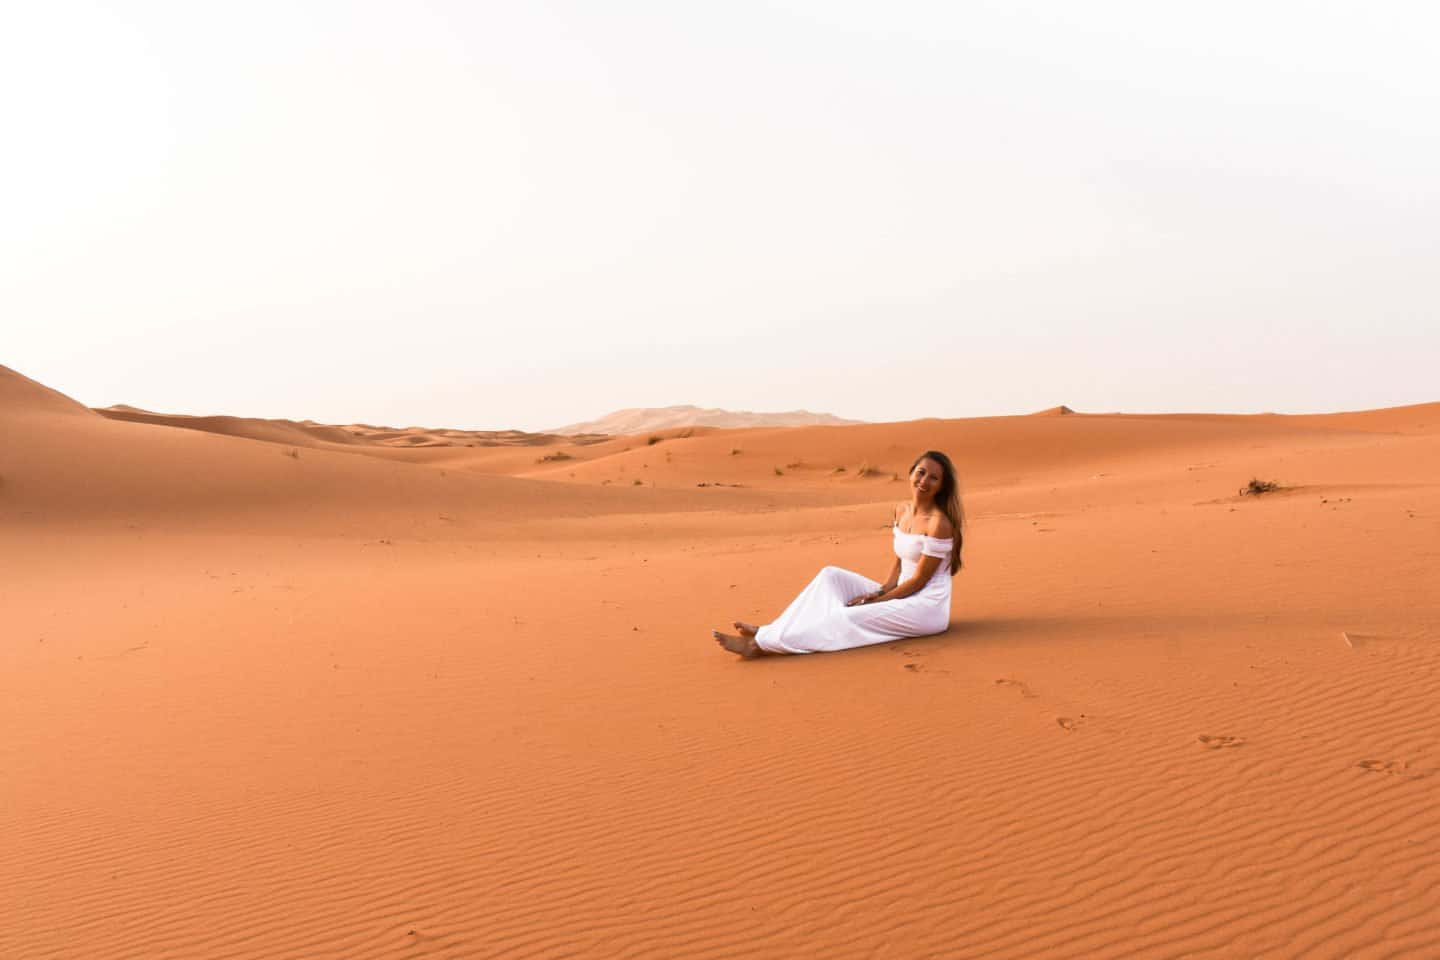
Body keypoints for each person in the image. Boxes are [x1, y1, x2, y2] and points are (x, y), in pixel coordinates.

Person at [713, 450, 964, 657]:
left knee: (847, 614)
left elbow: (919, 581)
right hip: (900, 593)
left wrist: (876, 602)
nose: (924, 481)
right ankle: (769, 630)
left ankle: (758, 645)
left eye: (933, 478)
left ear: (941, 487)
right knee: (830, 576)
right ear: (910, 474)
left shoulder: (938, 524)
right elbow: (898, 563)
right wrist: (879, 591)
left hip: (925, 608)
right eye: (921, 473)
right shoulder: (902, 510)